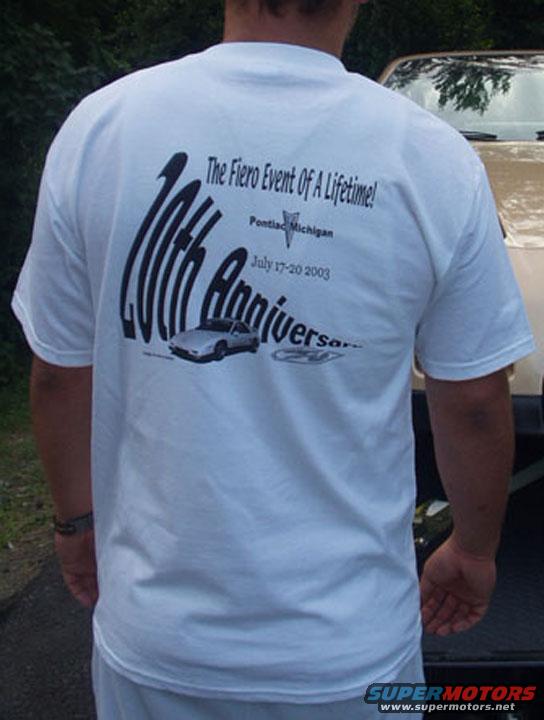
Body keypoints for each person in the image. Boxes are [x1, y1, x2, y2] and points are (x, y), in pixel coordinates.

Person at [12, 0, 535, 718]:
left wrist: (76, 526)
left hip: (158, 643)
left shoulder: (104, 126)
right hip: (349, 652)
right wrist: (472, 550)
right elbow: (473, 401)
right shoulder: (432, 158)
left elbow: (57, 373)